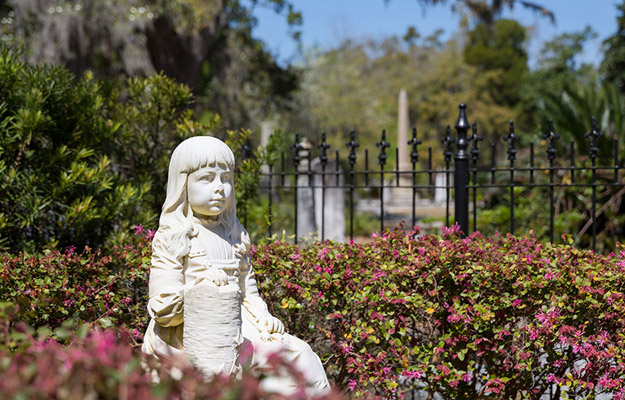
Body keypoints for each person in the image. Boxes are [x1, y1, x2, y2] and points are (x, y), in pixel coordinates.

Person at [142, 136, 329, 394]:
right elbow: (162, 306)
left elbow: (248, 290)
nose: (219, 187)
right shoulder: (174, 236)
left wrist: (263, 317)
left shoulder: (235, 234)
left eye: (226, 179)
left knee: (302, 355)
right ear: (183, 183)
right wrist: (202, 290)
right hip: (187, 333)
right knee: (223, 370)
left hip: (241, 325)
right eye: (207, 179)